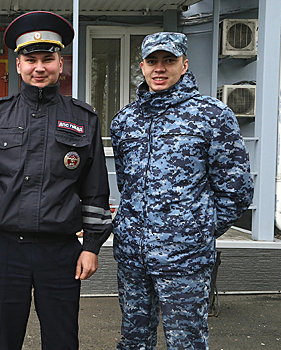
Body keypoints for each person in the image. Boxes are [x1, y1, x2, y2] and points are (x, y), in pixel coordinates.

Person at [0, 11, 112, 350]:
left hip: (60, 251)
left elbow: (95, 189)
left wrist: (91, 246)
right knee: (1, 340)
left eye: (48, 59)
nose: (39, 67)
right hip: (3, 250)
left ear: (61, 63)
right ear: (18, 65)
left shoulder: (83, 117)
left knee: (62, 340)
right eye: (31, 59)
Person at [110, 32, 254, 349]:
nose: (160, 68)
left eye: (169, 60)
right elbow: (126, 183)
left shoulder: (212, 115)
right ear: (142, 66)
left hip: (185, 259)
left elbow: (237, 190)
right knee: (133, 340)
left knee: (186, 342)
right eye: (152, 61)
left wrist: (195, 229)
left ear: (184, 64)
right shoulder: (125, 121)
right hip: (133, 257)